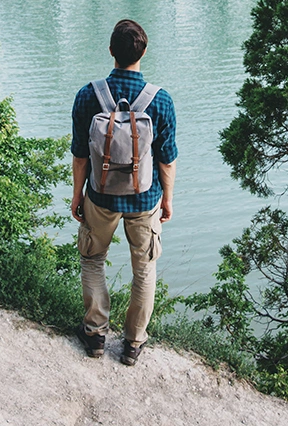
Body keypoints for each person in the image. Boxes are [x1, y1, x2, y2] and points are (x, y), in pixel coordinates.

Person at [70, 19, 177, 366]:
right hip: (145, 198)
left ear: (111, 51)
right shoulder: (160, 101)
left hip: (100, 196)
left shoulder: (89, 95)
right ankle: (133, 344)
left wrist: (77, 195)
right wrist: (167, 200)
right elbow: (167, 160)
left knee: (92, 259)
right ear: (143, 52)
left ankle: (96, 333)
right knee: (144, 269)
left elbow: (80, 155)